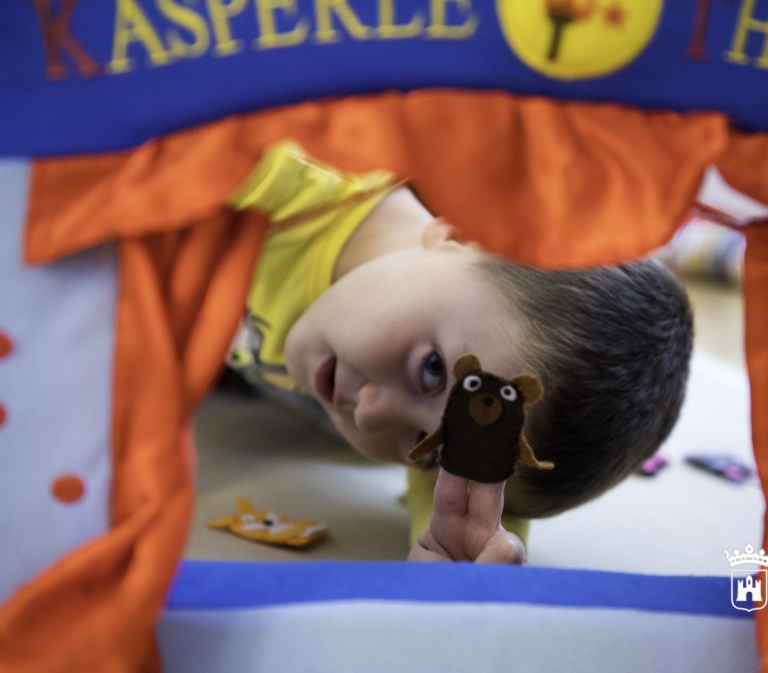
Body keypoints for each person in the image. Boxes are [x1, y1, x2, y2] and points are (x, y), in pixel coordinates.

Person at [226, 140, 693, 564]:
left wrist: (467, 555)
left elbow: (470, 495)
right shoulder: (280, 174)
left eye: (426, 450)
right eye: (431, 369)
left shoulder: (406, 339)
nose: (370, 415)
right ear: (461, 236)